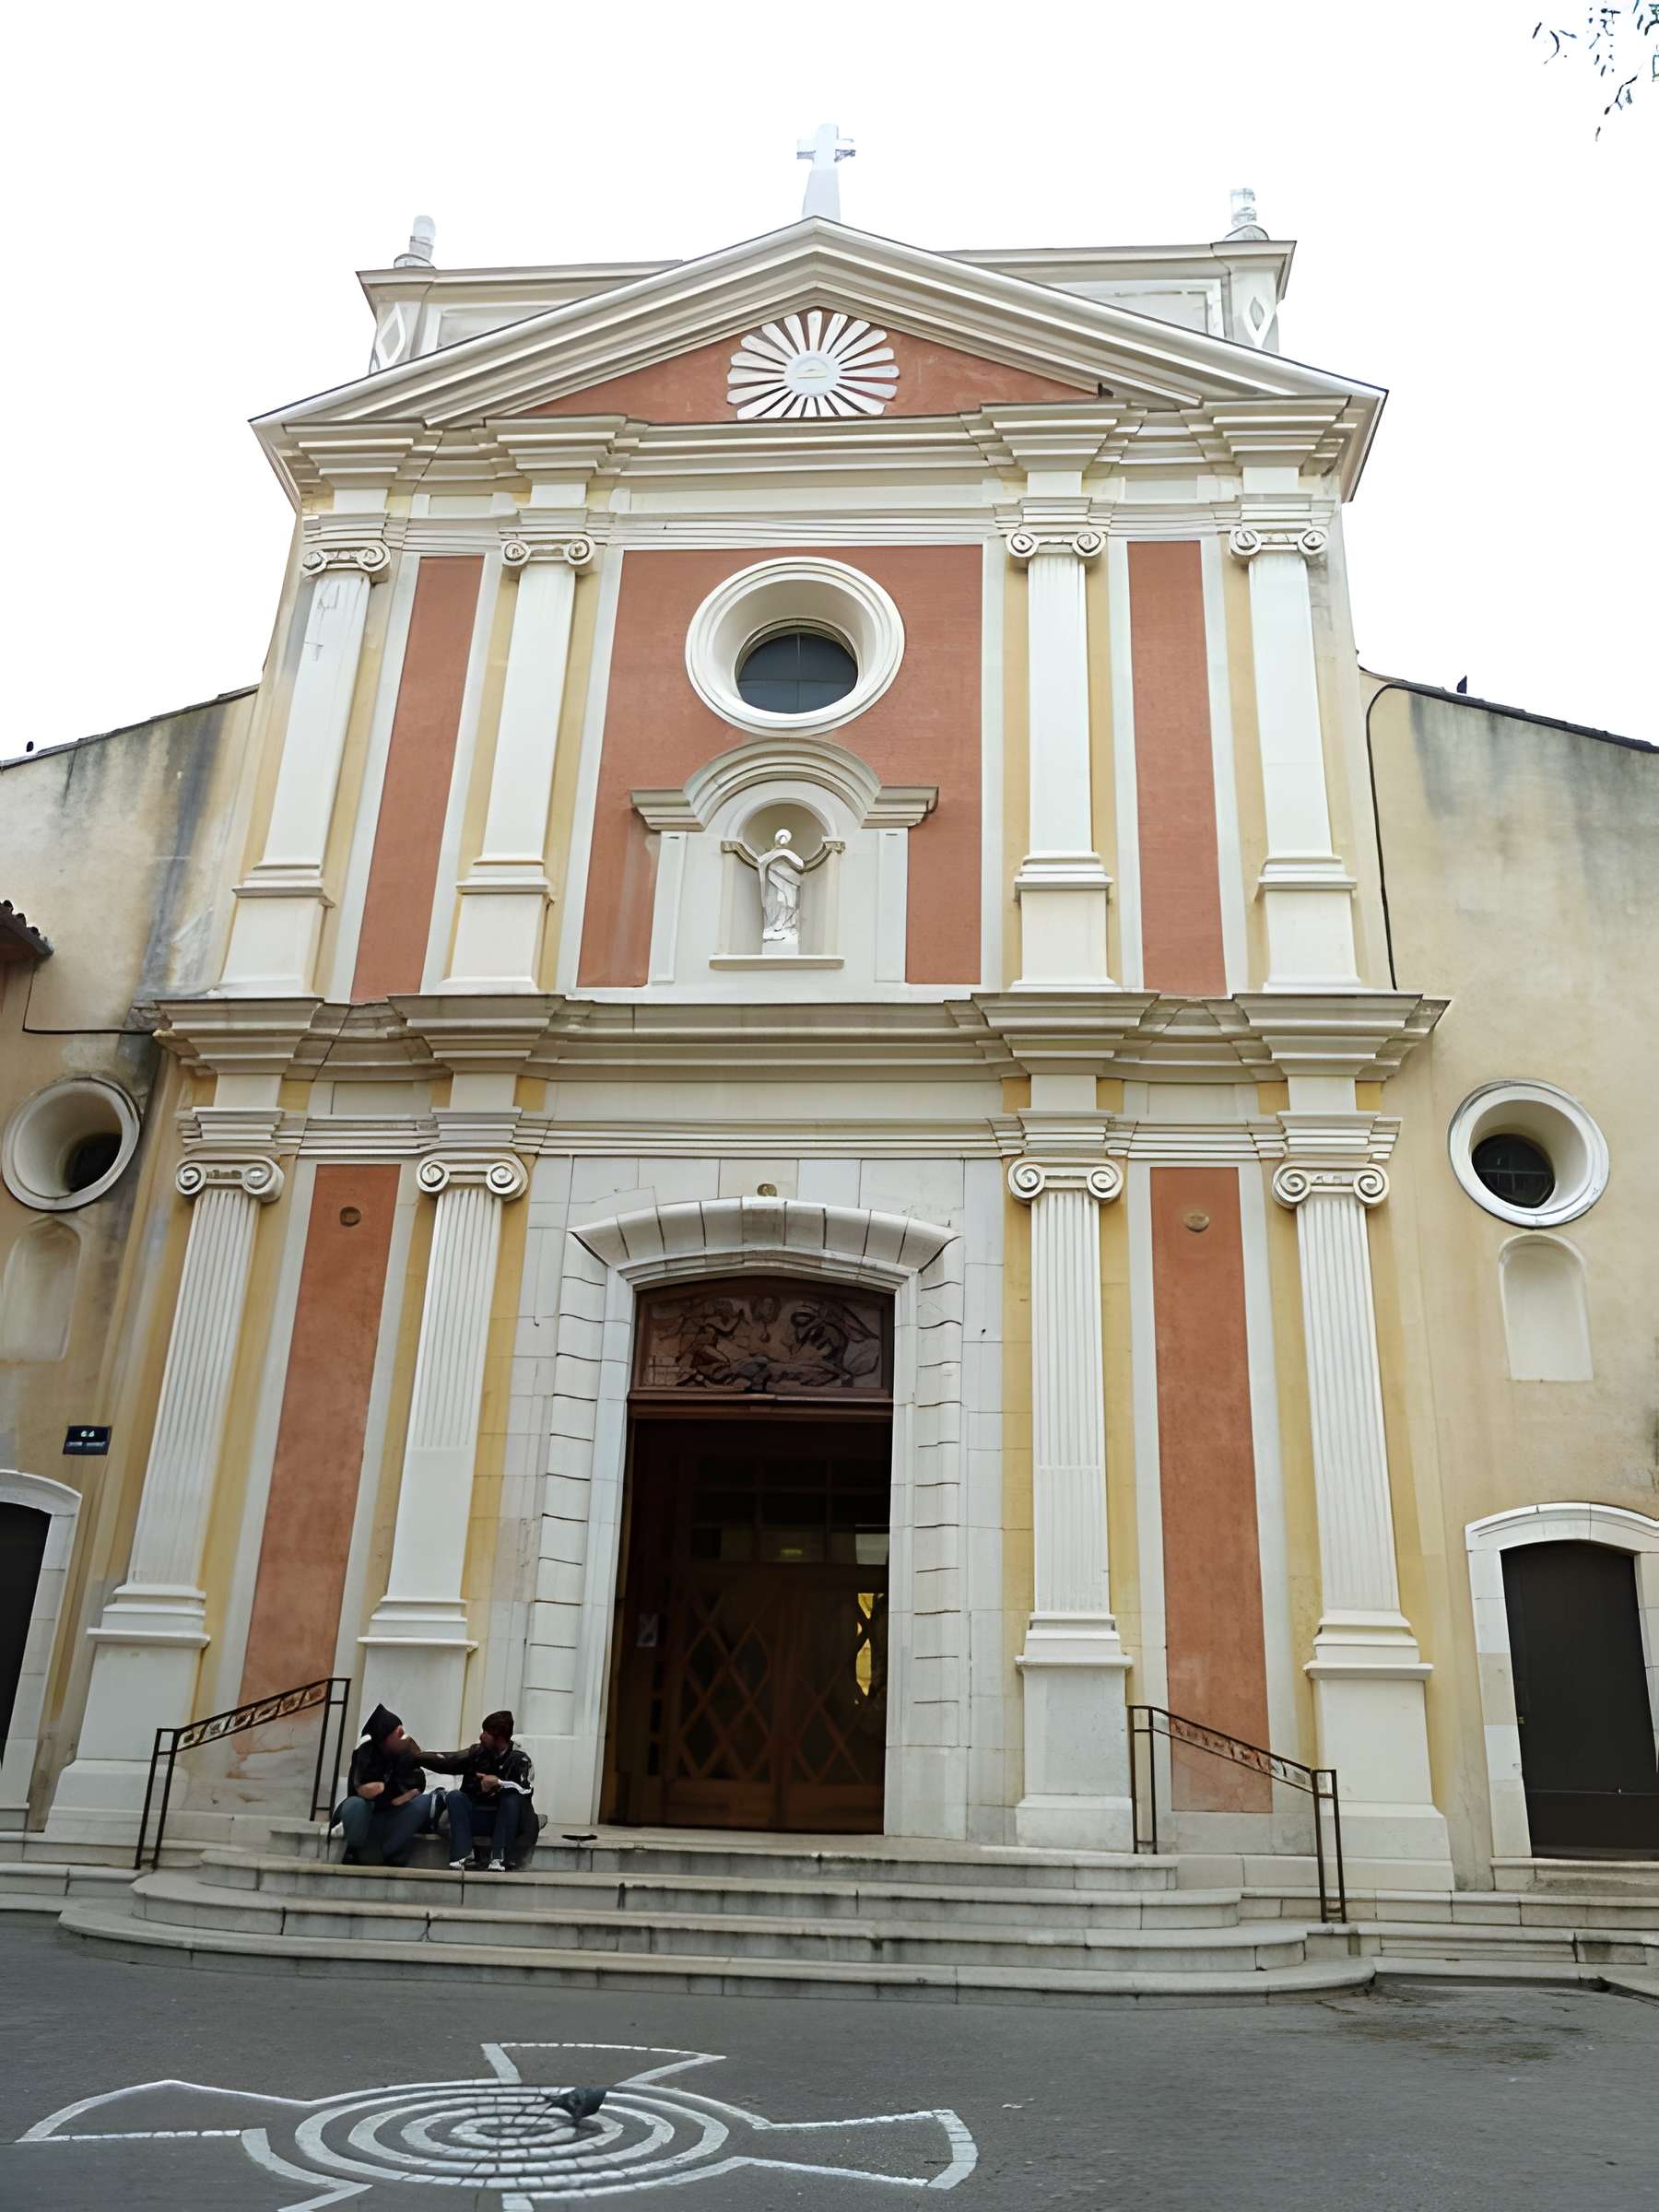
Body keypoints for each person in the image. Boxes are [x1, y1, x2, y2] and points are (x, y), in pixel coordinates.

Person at [423, 1710, 536, 1873]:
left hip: (505, 1822)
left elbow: (525, 1791)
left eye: (486, 1733)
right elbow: (453, 1767)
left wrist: (499, 1783)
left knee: (511, 1799)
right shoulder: (477, 1754)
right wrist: (417, 1756)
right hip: (478, 1816)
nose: (482, 1736)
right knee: (455, 1796)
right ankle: (462, 1854)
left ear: (499, 1738)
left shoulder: (520, 1759)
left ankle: (499, 1857)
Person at [335, 1703, 435, 1866]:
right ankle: (353, 1849)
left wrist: (400, 1798)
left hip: (395, 1815)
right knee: (355, 1804)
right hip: (369, 1815)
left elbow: (417, 1785)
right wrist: (386, 1794)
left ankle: (391, 1852)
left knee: (423, 1802)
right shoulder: (366, 1753)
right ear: (384, 1739)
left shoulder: (406, 1753)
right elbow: (362, 1789)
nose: (402, 1735)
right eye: (397, 1733)